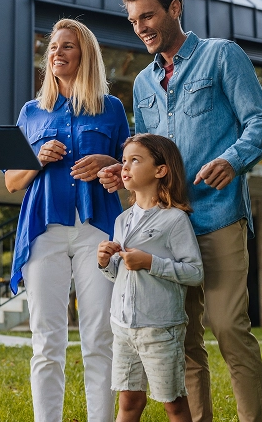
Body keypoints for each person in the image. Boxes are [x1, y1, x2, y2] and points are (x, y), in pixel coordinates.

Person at [98, 0, 262, 422]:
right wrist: (123, 171)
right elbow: (148, 151)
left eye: (149, 16)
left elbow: (261, 124)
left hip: (217, 216)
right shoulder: (142, 82)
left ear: (174, 9)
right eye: (134, 21)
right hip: (165, 223)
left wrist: (233, 160)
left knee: (230, 329)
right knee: (185, 340)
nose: (141, 27)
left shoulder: (221, 56)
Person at [5, 18, 130, 422]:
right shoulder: (31, 112)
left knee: (99, 337)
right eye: (52, 47)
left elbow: (131, 175)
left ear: (85, 54)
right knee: (47, 340)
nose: (56, 52)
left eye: (67, 46)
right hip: (45, 229)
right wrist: (37, 160)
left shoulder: (111, 109)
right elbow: (11, 181)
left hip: (98, 230)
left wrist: (111, 163)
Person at [97, 133, 203, 422]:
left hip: (160, 330)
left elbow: (194, 273)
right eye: (123, 161)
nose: (125, 167)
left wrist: (150, 262)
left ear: (160, 170)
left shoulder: (175, 220)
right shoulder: (122, 220)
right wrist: (105, 262)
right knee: (128, 400)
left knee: (173, 403)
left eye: (135, 160)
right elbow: (119, 275)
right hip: (123, 328)